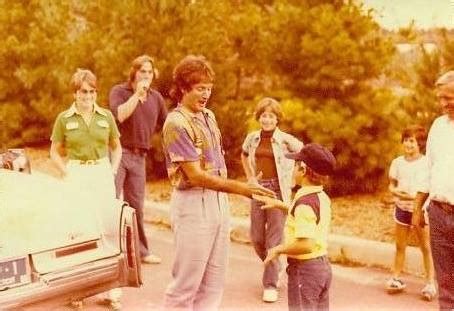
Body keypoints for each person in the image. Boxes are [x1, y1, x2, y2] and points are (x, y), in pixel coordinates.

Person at [162, 55, 275, 310]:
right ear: (182, 88)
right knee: (185, 286)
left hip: (217, 202)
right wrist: (242, 189)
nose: (206, 94)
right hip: (192, 204)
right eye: (200, 88)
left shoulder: (208, 116)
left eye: (209, 88)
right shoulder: (176, 123)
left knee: (213, 284)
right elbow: (196, 176)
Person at [50, 68, 123, 310]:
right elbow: (54, 152)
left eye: (92, 91)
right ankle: (77, 292)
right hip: (77, 171)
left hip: (101, 170)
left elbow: (117, 147)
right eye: (83, 91)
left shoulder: (106, 117)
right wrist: (67, 171)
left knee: (106, 227)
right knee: (78, 230)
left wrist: (111, 170)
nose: (88, 96)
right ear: (75, 93)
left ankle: (111, 291)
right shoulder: (64, 119)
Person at [255, 143, 336, 311]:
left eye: (296, 165)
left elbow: (306, 245)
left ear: (304, 170)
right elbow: (309, 215)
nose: (293, 169)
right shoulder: (319, 196)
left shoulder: (304, 205)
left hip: (305, 271)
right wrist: (279, 204)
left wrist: (277, 249)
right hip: (322, 267)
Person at [241, 97, 303, 302]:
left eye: (271, 116)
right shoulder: (252, 138)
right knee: (257, 237)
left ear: (277, 119)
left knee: (273, 239)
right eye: (264, 116)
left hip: (278, 191)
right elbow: (244, 155)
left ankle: (270, 284)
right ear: (259, 118)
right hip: (259, 189)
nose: (267, 120)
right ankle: (275, 267)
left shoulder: (285, 140)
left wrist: (294, 178)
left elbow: (303, 154)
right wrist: (250, 176)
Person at [109, 54, 168, 265]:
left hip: (139, 157)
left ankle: (141, 251)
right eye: (142, 71)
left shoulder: (156, 98)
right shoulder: (119, 91)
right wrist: (137, 94)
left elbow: (167, 126)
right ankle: (111, 251)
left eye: (150, 72)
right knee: (113, 202)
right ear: (134, 72)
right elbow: (120, 115)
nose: (146, 75)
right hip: (118, 153)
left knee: (137, 206)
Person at [413, 70, 454, 310]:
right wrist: (418, 208)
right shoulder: (438, 126)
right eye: (440, 98)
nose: (443, 104)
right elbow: (428, 169)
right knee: (446, 286)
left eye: (448, 98)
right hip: (438, 213)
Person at [385, 125, 436, 299]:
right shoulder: (397, 162)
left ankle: (430, 283)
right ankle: (396, 277)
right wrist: (395, 192)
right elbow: (391, 184)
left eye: (412, 140)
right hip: (401, 209)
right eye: (406, 140)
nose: (408, 144)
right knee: (400, 245)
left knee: (425, 247)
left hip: (420, 211)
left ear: (420, 143)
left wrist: (417, 199)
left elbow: (429, 186)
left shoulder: (426, 163)